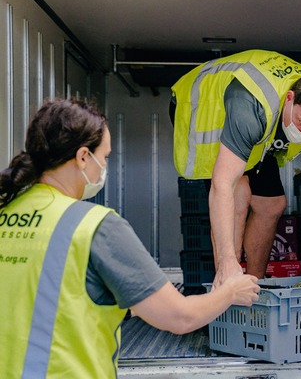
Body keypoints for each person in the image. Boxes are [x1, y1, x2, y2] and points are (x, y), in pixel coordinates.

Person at [0, 99, 260, 378]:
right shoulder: (93, 226)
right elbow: (181, 317)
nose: (104, 167)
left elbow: (40, 293)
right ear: (83, 157)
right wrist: (231, 291)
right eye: (106, 157)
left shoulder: (7, 212)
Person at [170, 49, 301, 287]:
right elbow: (223, 184)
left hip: (263, 123)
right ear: (290, 98)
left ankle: (256, 285)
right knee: (238, 190)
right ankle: (227, 283)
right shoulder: (250, 108)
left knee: (272, 205)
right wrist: (229, 260)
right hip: (203, 105)